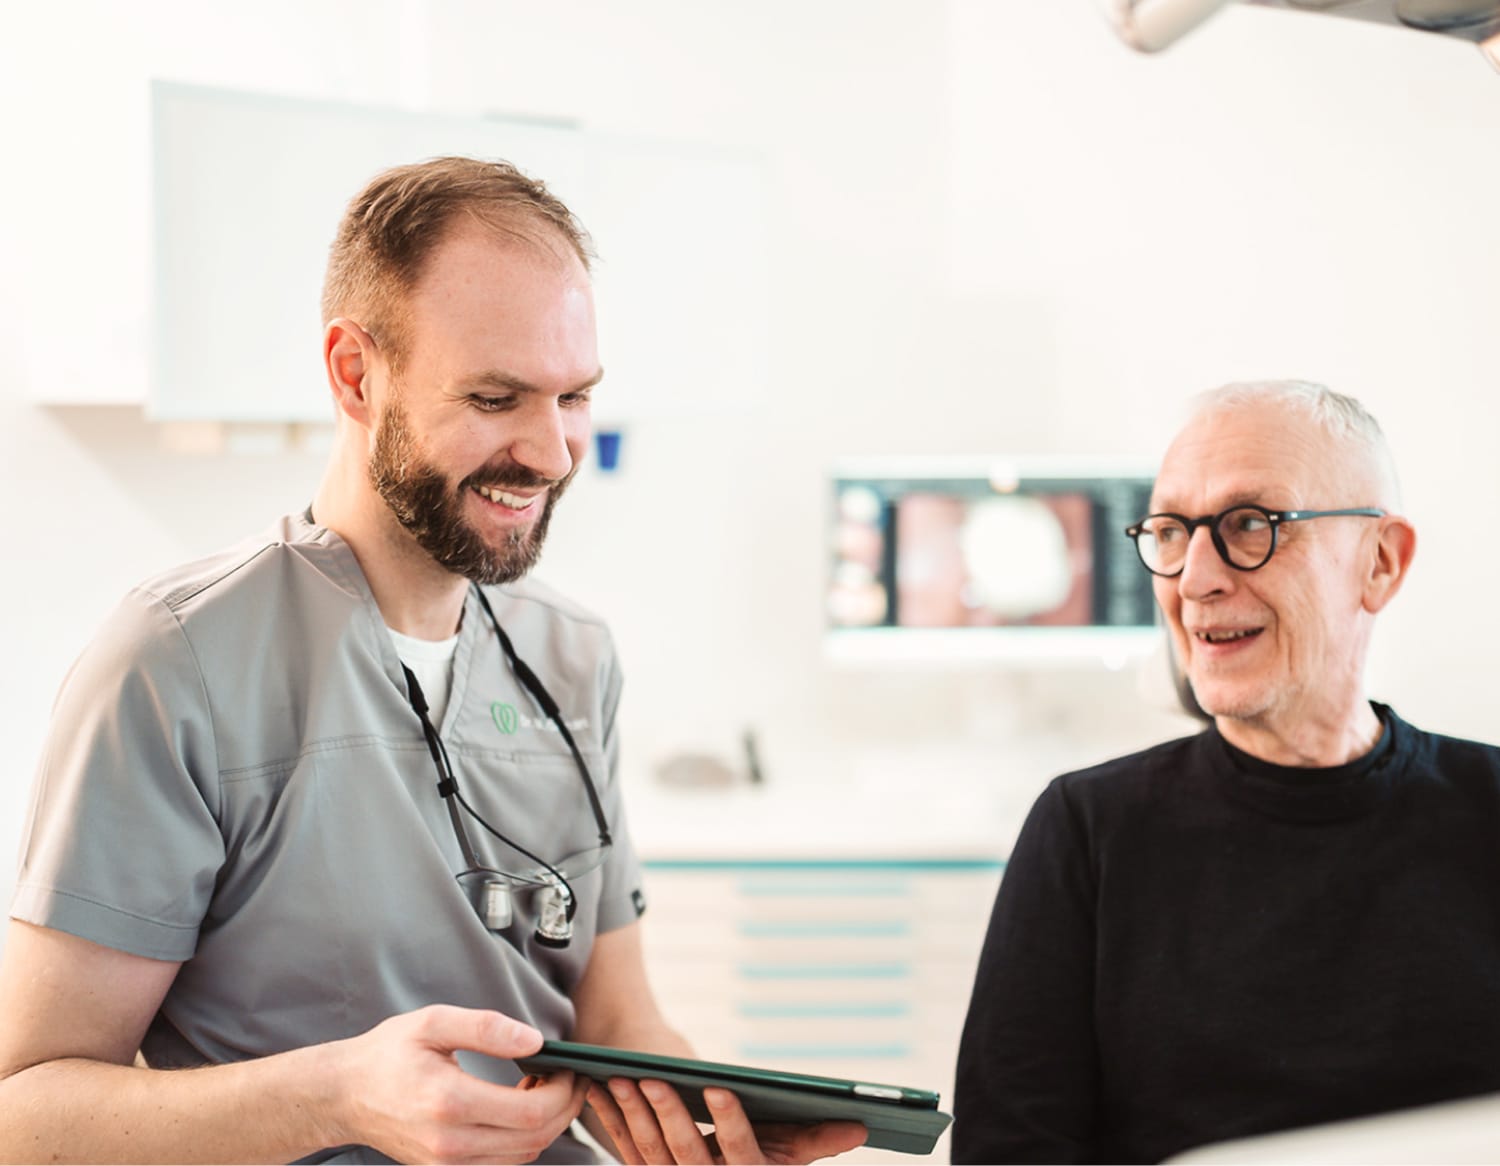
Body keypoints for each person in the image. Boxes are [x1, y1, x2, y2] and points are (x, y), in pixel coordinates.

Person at [0, 156, 866, 1166]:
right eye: (497, 397)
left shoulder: (573, 657)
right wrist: (337, 1097)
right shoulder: (176, 663)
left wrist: (704, 1125)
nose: (552, 453)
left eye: (573, 396)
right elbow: (25, 1115)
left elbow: (623, 1018)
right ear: (356, 373)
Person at [952, 380, 1500, 1164]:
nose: (1195, 579)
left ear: (1380, 562)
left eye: (1251, 525)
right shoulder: (1087, 831)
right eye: (1172, 532)